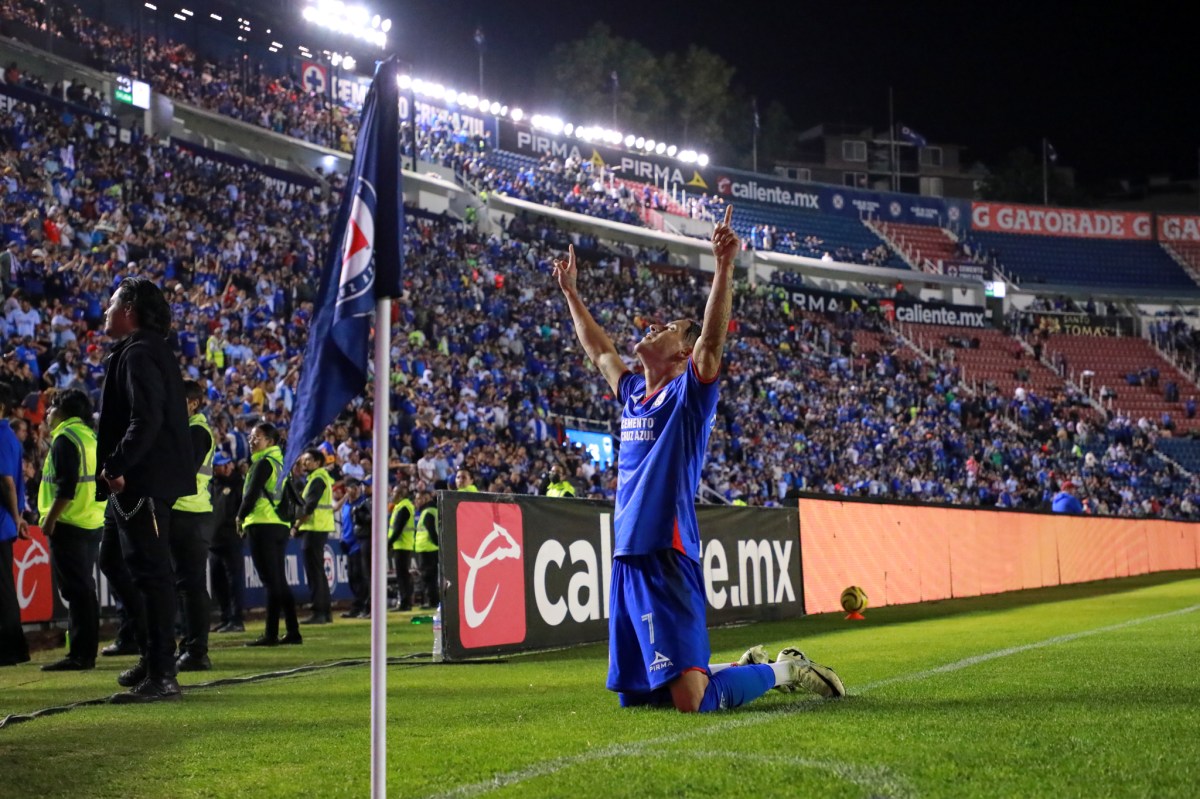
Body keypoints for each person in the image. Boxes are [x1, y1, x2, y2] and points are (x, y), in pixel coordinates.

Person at [553, 206, 844, 713]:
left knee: (691, 702)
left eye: (667, 327)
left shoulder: (689, 396)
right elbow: (599, 351)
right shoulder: (633, 396)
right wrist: (572, 294)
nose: (652, 326)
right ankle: (740, 666)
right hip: (627, 556)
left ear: (682, 355)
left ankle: (785, 670)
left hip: (668, 551)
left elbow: (711, 341)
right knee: (640, 698)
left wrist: (725, 265)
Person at [95, 277, 196, 703]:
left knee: (151, 575)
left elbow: (146, 419)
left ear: (130, 309)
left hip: (142, 482)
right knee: (114, 560)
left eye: (112, 304)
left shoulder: (138, 353)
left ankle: (161, 672)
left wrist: (117, 465)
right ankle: (151, 651)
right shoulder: (143, 351)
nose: (105, 312)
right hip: (140, 482)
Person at [37, 389, 106, 671]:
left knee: (77, 591)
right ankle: (85, 651)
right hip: (91, 521)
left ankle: (80, 655)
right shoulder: (89, 436)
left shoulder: (66, 439)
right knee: (84, 590)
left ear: (64, 411)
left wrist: (50, 519)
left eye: (52, 407)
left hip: (69, 523)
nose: (48, 413)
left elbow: (66, 487)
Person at [237, 421, 301, 646]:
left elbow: (252, 493)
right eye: (251, 437)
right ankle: (292, 630)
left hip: (262, 523)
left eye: (257, 437)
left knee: (271, 580)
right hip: (279, 525)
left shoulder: (263, 463)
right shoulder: (281, 463)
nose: (252, 441)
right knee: (278, 580)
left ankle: (271, 633)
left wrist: (240, 516)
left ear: (270, 441)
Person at [170, 380, 216, 671]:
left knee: (191, 585)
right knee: (187, 585)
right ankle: (190, 647)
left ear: (193, 403)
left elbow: (183, 474)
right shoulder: (189, 429)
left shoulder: (197, 431)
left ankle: (196, 651)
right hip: (187, 512)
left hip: (190, 513)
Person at [0, 382, 31, 667]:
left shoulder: (1, 436)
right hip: (6, 522)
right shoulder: (8, 436)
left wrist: (17, 516)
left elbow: (7, 481)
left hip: (1, 524)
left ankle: (10, 650)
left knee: (3, 589)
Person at [291, 448, 334, 625]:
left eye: (308, 460)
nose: (304, 463)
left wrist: (296, 526)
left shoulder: (317, 479)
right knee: (318, 572)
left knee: (314, 572)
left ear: (318, 462)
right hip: (318, 528)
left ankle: (320, 612)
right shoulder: (318, 478)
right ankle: (325, 612)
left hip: (314, 528)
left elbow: (309, 507)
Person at [208, 452, 245, 633]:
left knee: (234, 581)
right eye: (223, 465)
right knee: (218, 582)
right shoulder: (210, 486)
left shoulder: (238, 483)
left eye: (228, 463)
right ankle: (225, 617)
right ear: (214, 468)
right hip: (213, 543)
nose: (227, 467)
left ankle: (236, 620)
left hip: (231, 540)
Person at [388, 483, 416, 611]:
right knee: (403, 575)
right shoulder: (400, 506)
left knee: (402, 576)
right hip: (403, 544)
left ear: (401, 494)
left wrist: (388, 543)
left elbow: (398, 528)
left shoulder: (404, 507)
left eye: (394, 492)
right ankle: (406, 602)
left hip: (402, 545)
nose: (392, 494)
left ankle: (405, 602)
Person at [413, 489, 440, 609]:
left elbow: (432, 532)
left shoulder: (428, 512)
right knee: (431, 577)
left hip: (427, 548)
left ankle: (431, 601)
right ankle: (432, 601)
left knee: (428, 577)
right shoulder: (431, 510)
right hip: (429, 548)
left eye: (418, 498)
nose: (416, 501)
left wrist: (437, 544)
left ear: (425, 498)